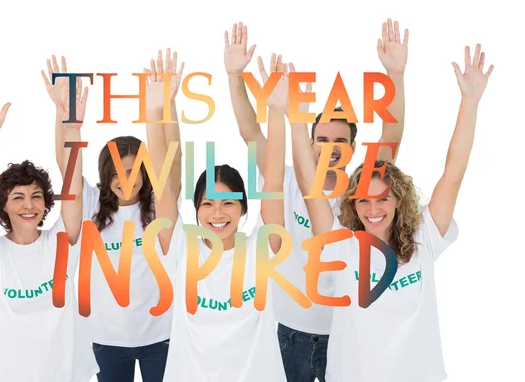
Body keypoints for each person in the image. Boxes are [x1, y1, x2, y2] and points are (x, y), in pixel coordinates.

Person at [291, 44, 493, 382]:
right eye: (363, 201)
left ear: (398, 200)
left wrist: (469, 102)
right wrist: (295, 118)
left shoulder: (424, 236)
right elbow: (309, 185)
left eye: (383, 199)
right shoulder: (341, 247)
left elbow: (453, 174)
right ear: (352, 205)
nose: (373, 209)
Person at [224, 19, 408, 381]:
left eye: (339, 142)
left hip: (347, 331)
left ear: (353, 149)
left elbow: (393, 132)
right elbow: (249, 130)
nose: (330, 149)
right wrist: (234, 76)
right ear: (310, 144)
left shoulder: (363, 193)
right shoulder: (286, 178)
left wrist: (395, 74)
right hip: (292, 333)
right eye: (322, 140)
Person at [145, 49, 289, 381]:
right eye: (207, 204)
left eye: (228, 203)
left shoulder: (261, 249)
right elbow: (162, 182)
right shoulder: (180, 249)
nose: (217, 213)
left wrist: (277, 111)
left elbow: (274, 178)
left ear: (243, 210)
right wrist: (156, 110)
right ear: (195, 211)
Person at [42, 52, 184, 382]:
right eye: (116, 171)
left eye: (134, 170)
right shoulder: (91, 205)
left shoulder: (157, 207)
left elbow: (172, 163)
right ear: (105, 174)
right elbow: (67, 168)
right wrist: (65, 119)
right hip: (106, 341)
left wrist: (167, 105)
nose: (125, 179)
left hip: (160, 337)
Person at [0, 82, 98, 381]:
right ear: (5, 206)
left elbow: (74, 191)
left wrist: (72, 130)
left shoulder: (61, 243)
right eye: (18, 197)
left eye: (36, 196)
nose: (29, 205)